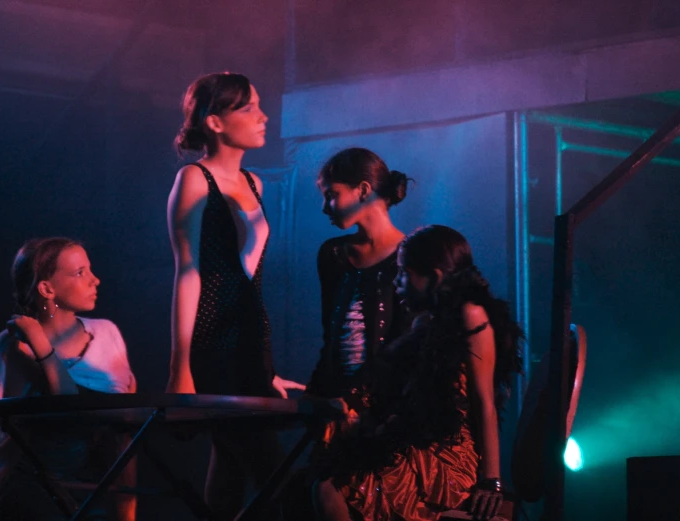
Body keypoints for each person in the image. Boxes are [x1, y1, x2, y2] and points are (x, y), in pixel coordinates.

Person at [312, 225, 524, 521]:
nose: (396, 282)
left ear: (435, 277)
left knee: (332, 487)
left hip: (448, 455)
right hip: (419, 440)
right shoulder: (424, 323)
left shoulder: (471, 314)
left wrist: (492, 482)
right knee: (332, 453)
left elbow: (484, 402)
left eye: (404, 273)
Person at [167, 71, 304, 520]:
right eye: (248, 108)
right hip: (213, 344)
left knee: (229, 468)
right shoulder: (193, 178)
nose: (264, 116)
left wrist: (265, 367)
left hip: (250, 343)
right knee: (271, 475)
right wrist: (180, 370)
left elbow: (251, 278)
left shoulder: (255, 184)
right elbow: (188, 274)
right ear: (216, 122)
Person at [0, 237, 137, 521]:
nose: (96, 280)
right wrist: (39, 344)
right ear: (47, 288)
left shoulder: (106, 335)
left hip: (97, 491)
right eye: (80, 273)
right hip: (31, 494)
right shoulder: (14, 346)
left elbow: (127, 435)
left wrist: (127, 509)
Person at [307, 147, 414, 407]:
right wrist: (318, 394)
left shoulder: (411, 255)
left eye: (332, 195)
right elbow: (331, 337)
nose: (324, 208)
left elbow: (408, 344)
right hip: (335, 404)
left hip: (387, 408)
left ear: (363, 190)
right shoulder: (332, 253)